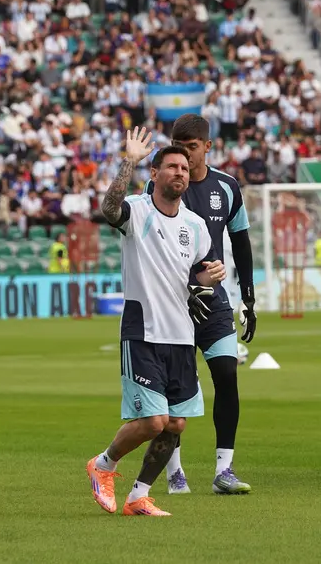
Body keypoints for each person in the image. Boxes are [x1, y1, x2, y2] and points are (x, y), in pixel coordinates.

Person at [86, 128, 225, 517]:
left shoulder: (195, 226)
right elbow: (108, 210)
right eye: (171, 167)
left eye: (184, 167)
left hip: (181, 335)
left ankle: (139, 496)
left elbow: (193, 278)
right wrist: (127, 159)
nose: (180, 173)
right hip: (142, 331)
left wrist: (209, 276)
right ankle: (104, 464)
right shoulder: (137, 210)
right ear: (154, 173)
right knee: (152, 421)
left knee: (175, 424)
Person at [148, 114, 255, 495]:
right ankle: (174, 471)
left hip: (214, 302)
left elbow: (241, 242)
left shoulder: (226, 187)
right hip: (172, 304)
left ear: (207, 146)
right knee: (176, 390)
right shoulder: (159, 186)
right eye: (178, 145)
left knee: (227, 375)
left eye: (191, 147)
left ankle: (224, 470)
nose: (185, 154)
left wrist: (249, 299)